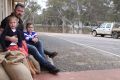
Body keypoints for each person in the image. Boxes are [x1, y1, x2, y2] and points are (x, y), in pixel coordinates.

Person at [0, 3, 60, 74]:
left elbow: (21, 34)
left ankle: (43, 60)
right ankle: (49, 66)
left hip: (22, 41)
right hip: (12, 44)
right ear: (14, 10)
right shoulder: (7, 20)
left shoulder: (20, 20)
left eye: (22, 11)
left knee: (39, 42)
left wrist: (33, 38)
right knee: (33, 48)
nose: (20, 13)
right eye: (18, 10)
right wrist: (10, 38)